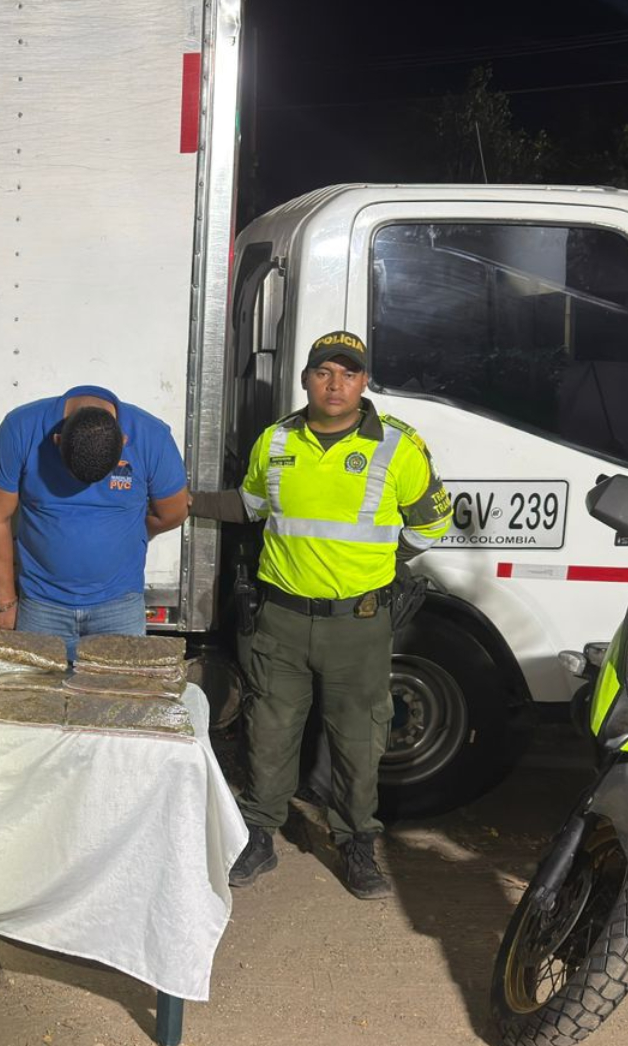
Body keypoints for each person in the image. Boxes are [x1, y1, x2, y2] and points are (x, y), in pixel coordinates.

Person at [192, 330, 451, 899]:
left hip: (357, 626)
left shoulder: (397, 446)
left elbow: (432, 525)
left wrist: (379, 568)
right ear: (306, 378)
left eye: (349, 374)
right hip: (279, 620)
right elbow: (251, 505)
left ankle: (357, 843)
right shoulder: (277, 439)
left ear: (363, 382)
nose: (335, 385)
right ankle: (260, 835)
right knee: (268, 731)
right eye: (324, 373)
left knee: (359, 740)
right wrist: (186, 502)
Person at [0, 386, 189, 659]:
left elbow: (174, 512)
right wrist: (5, 602)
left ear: (124, 441)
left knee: (114, 700)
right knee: (40, 699)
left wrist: (134, 533)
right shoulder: (21, 428)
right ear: (56, 440)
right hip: (42, 607)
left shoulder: (151, 436)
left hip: (119, 608)